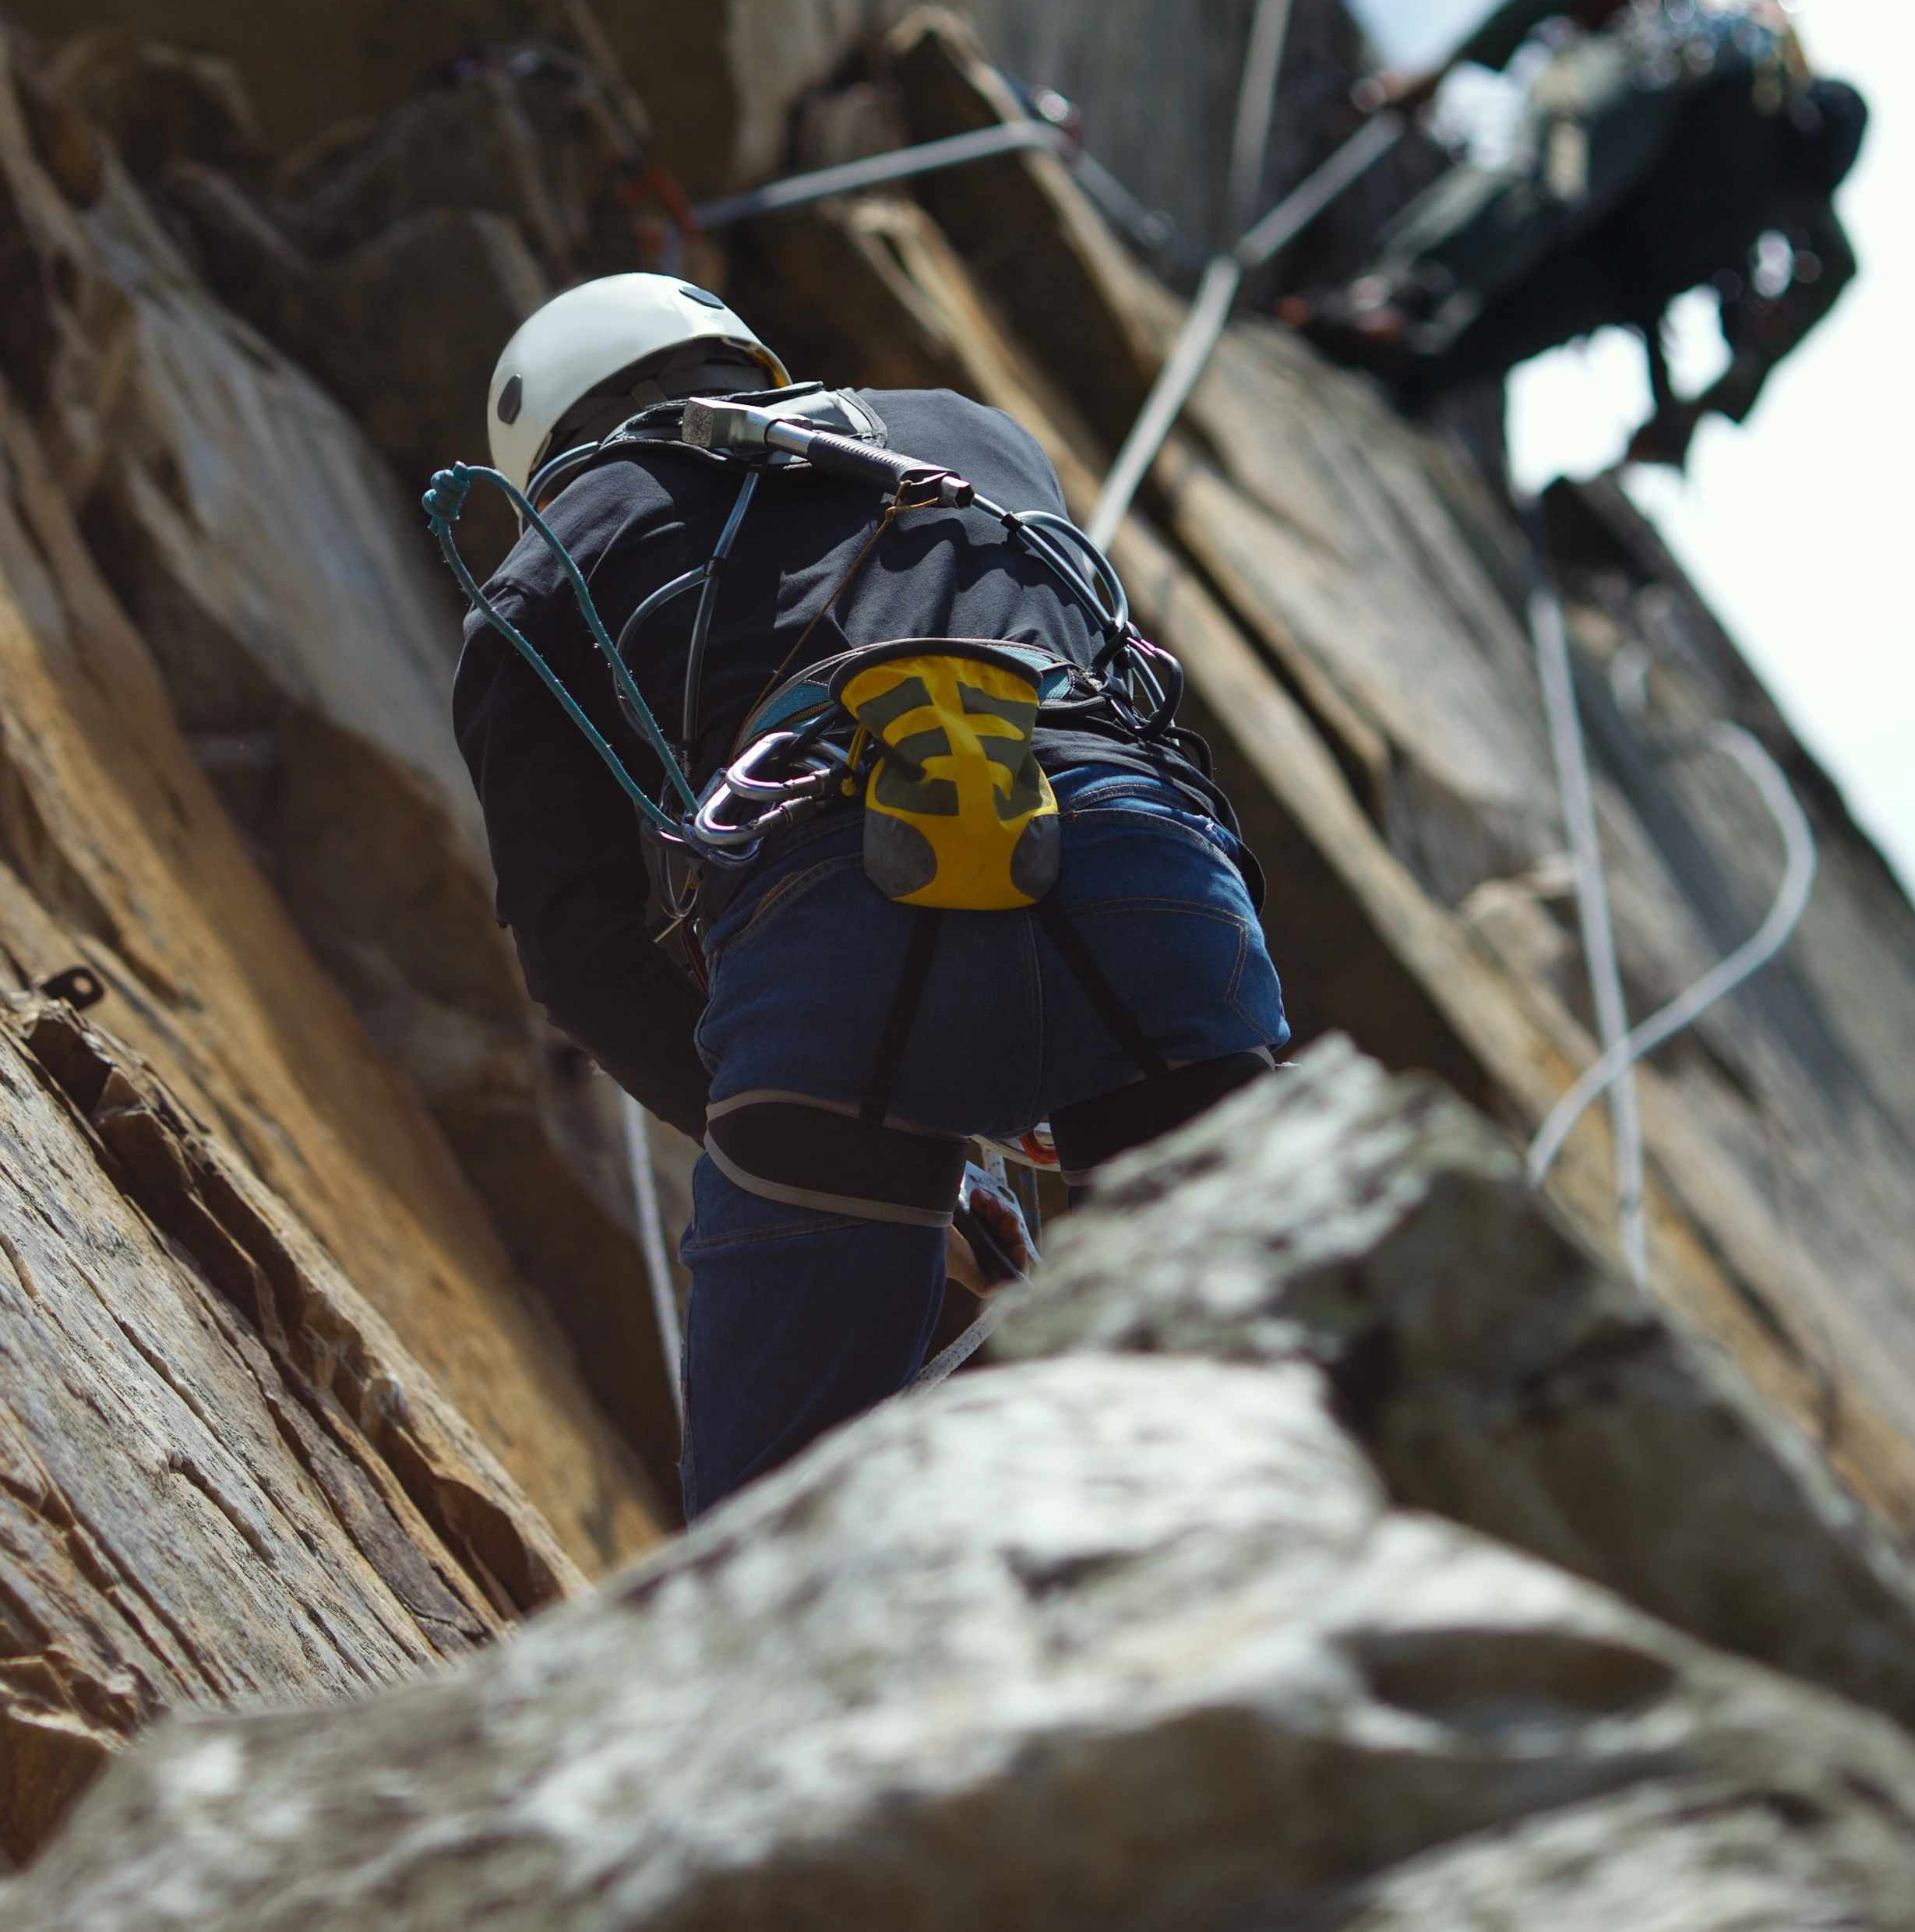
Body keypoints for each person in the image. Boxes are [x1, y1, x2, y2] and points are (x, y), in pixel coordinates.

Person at [450, 272, 1287, 1514]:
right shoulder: (973, 432)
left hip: (844, 938)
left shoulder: (551, 556)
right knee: (1258, 1392)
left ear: (553, 448)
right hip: (1148, 871)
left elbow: (577, 948)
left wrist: (765, 1117)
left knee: (773, 1515)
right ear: (745, 357)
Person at [1287, 0, 1866, 467]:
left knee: (1558, 149)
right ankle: (1425, 372)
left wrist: (1445, 70)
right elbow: (1834, 266)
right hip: (1695, 214)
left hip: (1683, 58)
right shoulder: (1777, 91)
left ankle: (1395, 297)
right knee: (1603, 271)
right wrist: (1727, 393)